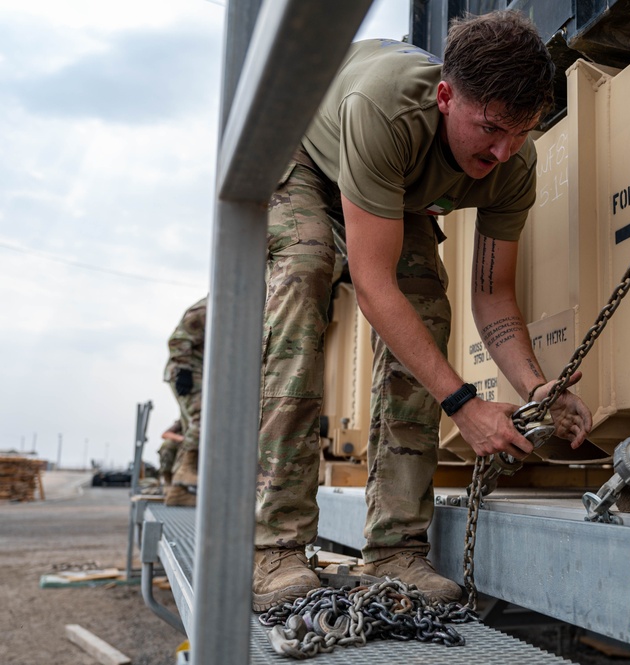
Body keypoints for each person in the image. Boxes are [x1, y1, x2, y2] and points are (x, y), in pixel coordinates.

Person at [252, 10, 593, 611]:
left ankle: (395, 549)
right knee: (304, 275)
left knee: (425, 311)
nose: (502, 149)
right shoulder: (387, 109)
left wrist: (537, 389)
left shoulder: (514, 162)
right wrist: (464, 405)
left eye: (521, 131)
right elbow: (373, 285)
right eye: (489, 128)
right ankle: (274, 546)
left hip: (391, 185)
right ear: (444, 97)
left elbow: (493, 295)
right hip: (309, 153)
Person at [163, 296, 207, 507]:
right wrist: (184, 369)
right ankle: (184, 472)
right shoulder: (211, 305)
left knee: (197, 424)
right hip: (187, 371)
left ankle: (179, 490)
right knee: (203, 417)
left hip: (197, 371)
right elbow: (178, 339)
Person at [158, 419, 184, 487]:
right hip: (184, 447)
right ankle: (169, 483)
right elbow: (165, 434)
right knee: (167, 445)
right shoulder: (185, 419)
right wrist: (183, 439)